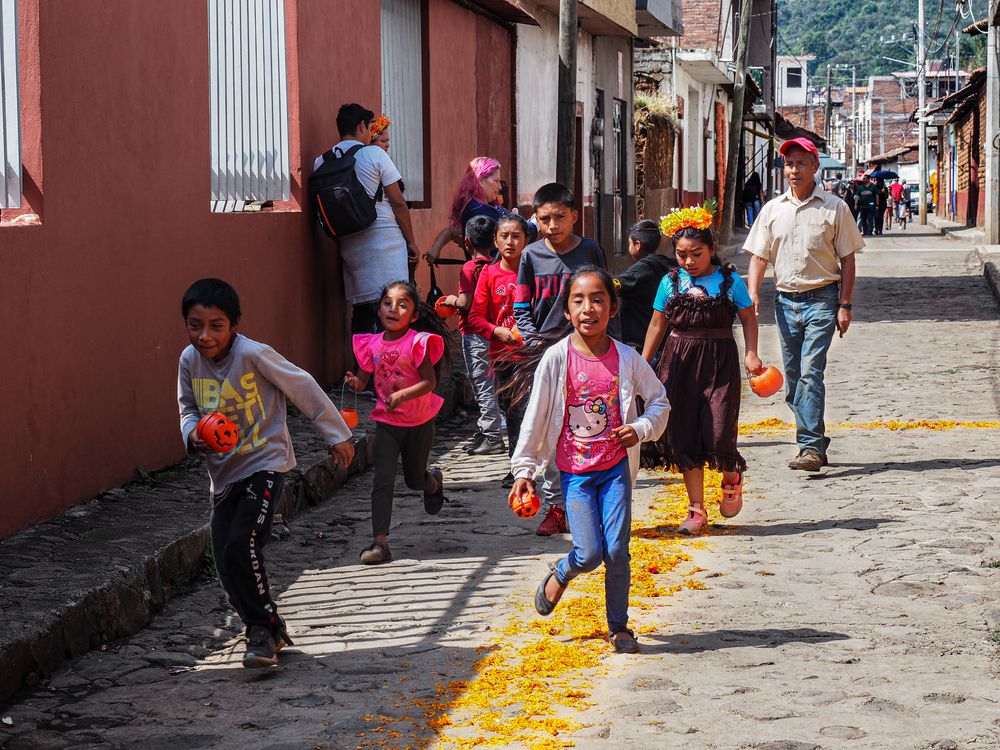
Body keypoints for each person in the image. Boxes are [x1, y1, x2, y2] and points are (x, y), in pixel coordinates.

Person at [177, 278, 356, 668]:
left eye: (216, 326)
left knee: (243, 543)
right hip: (223, 475)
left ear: (236, 324)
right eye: (195, 325)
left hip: (265, 462)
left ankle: (261, 630)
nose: (204, 336)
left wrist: (336, 434)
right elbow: (187, 408)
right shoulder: (188, 361)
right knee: (224, 560)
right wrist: (193, 434)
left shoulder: (255, 355)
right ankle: (265, 627)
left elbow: (303, 386)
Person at [507, 266, 670, 653]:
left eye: (598, 299)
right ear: (566, 310)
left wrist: (641, 429)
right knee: (590, 552)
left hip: (615, 469)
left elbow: (660, 400)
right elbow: (537, 415)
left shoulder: (628, 359)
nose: (588, 308)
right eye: (578, 300)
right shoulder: (555, 358)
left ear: (612, 308)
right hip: (576, 474)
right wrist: (525, 470)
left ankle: (620, 628)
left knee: (616, 550)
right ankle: (563, 571)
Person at [744, 137, 864, 472]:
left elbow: (848, 260)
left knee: (811, 371)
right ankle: (815, 440)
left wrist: (845, 304)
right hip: (785, 302)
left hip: (823, 299)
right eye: (789, 164)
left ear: (815, 167)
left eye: (800, 163)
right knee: (795, 378)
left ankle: (809, 445)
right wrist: (753, 292)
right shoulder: (772, 209)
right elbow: (758, 257)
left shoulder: (834, 207)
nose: (794, 170)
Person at [641, 208, 761, 535]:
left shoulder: (729, 280)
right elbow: (657, 323)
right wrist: (642, 364)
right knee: (685, 436)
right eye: (681, 255)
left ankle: (731, 477)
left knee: (719, 431)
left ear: (711, 250)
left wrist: (751, 353)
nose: (689, 261)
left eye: (697, 254)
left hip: (719, 363)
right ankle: (696, 510)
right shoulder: (670, 282)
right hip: (677, 363)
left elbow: (749, 318)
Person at [512, 182, 615, 536]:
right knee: (552, 429)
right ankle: (557, 507)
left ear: (575, 215)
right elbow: (521, 306)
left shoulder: (590, 250)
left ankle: (590, 500)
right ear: (536, 219)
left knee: (588, 424)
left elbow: (604, 293)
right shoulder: (531, 255)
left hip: (587, 350)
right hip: (546, 352)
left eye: (559, 217)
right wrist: (534, 341)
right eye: (545, 219)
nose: (553, 224)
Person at [345, 281, 454, 565]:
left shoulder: (416, 343)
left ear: (414, 315)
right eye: (387, 303)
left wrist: (403, 394)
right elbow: (363, 380)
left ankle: (433, 484)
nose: (393, 309)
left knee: (413, 479)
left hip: (419, 421)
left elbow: (429, 383)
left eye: (402, 305)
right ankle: (380, 543)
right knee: (382, 479)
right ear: (379, 308)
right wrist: (354, 383)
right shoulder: (371, 344)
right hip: (387, 422)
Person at [314, 104, 420, 334]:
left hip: (351, 249)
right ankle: (390, 368)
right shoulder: (374, 153)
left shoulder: (321, 162)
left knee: (362, 316)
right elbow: (398, 202)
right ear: (362, 126)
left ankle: (362, 367)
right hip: (385, 245)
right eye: (369, 127)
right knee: (393, 312)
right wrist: (411, 241)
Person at [468, 214, 532, 487]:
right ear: (495, 240)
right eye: (504, 236)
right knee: (514, 411)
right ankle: (518, 467)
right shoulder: (489, 274)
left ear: (526, 241)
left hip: (533, 353)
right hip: (504, 355)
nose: (510, 241)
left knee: (536, 409)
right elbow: (475, 317)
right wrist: (496, 332)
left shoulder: (534, 271)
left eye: (516, 236)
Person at [438, 216, 506, 456]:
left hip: (475, 334)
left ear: (466, 242)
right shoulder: (498, 265)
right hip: (496, 332)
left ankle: (492, 436)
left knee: (482, 384)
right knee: (496, 383)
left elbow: (466, 303)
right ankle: (487, 430)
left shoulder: (471, 268)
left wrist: (450, 301)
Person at [424, 157, 509, 265]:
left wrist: (435, 249)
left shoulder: (473, 206)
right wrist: (535, 223)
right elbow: (520, 231)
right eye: (496, 181)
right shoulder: (479, 210)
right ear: (481, 180)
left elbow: (453, 230)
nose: (500, 187)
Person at [614, 219, 677, 351]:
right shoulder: (667, 264)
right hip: (664, 339)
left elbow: (612, 286)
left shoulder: (640, 269)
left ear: (637, 244)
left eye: (629, 243)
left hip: (640, 342)